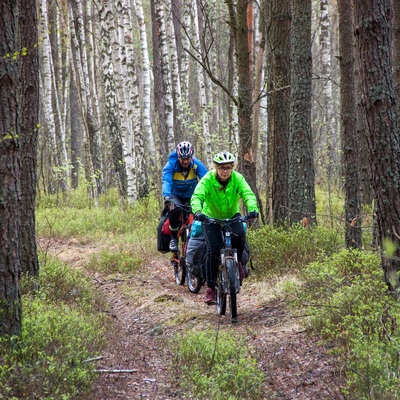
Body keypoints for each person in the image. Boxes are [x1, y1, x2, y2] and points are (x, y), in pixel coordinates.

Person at [190, 151, 259, 304]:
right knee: (213, 250)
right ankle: (210, 288)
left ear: (232, 168)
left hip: (232, 215)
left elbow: (248, 193)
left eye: (228, 167)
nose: (225, 171)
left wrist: (252, 209)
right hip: (210, 217)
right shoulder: (208, 179)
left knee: (240, 235)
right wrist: (198, 211)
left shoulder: (237, 178)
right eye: (221, 168)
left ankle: (239, 264)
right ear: (216, 168)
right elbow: (197, 196)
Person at [162, 141, 208, 251]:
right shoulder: (170, 166)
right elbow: (166, 181)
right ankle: (174, 238)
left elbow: (207, 179)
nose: (186, 161)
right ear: (178, 157)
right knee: (175, 209)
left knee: (200, 213)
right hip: (175, 194)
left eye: (188, 158)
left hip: (192, 194)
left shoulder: (196, 164)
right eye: (183, 159)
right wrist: (167, 197)